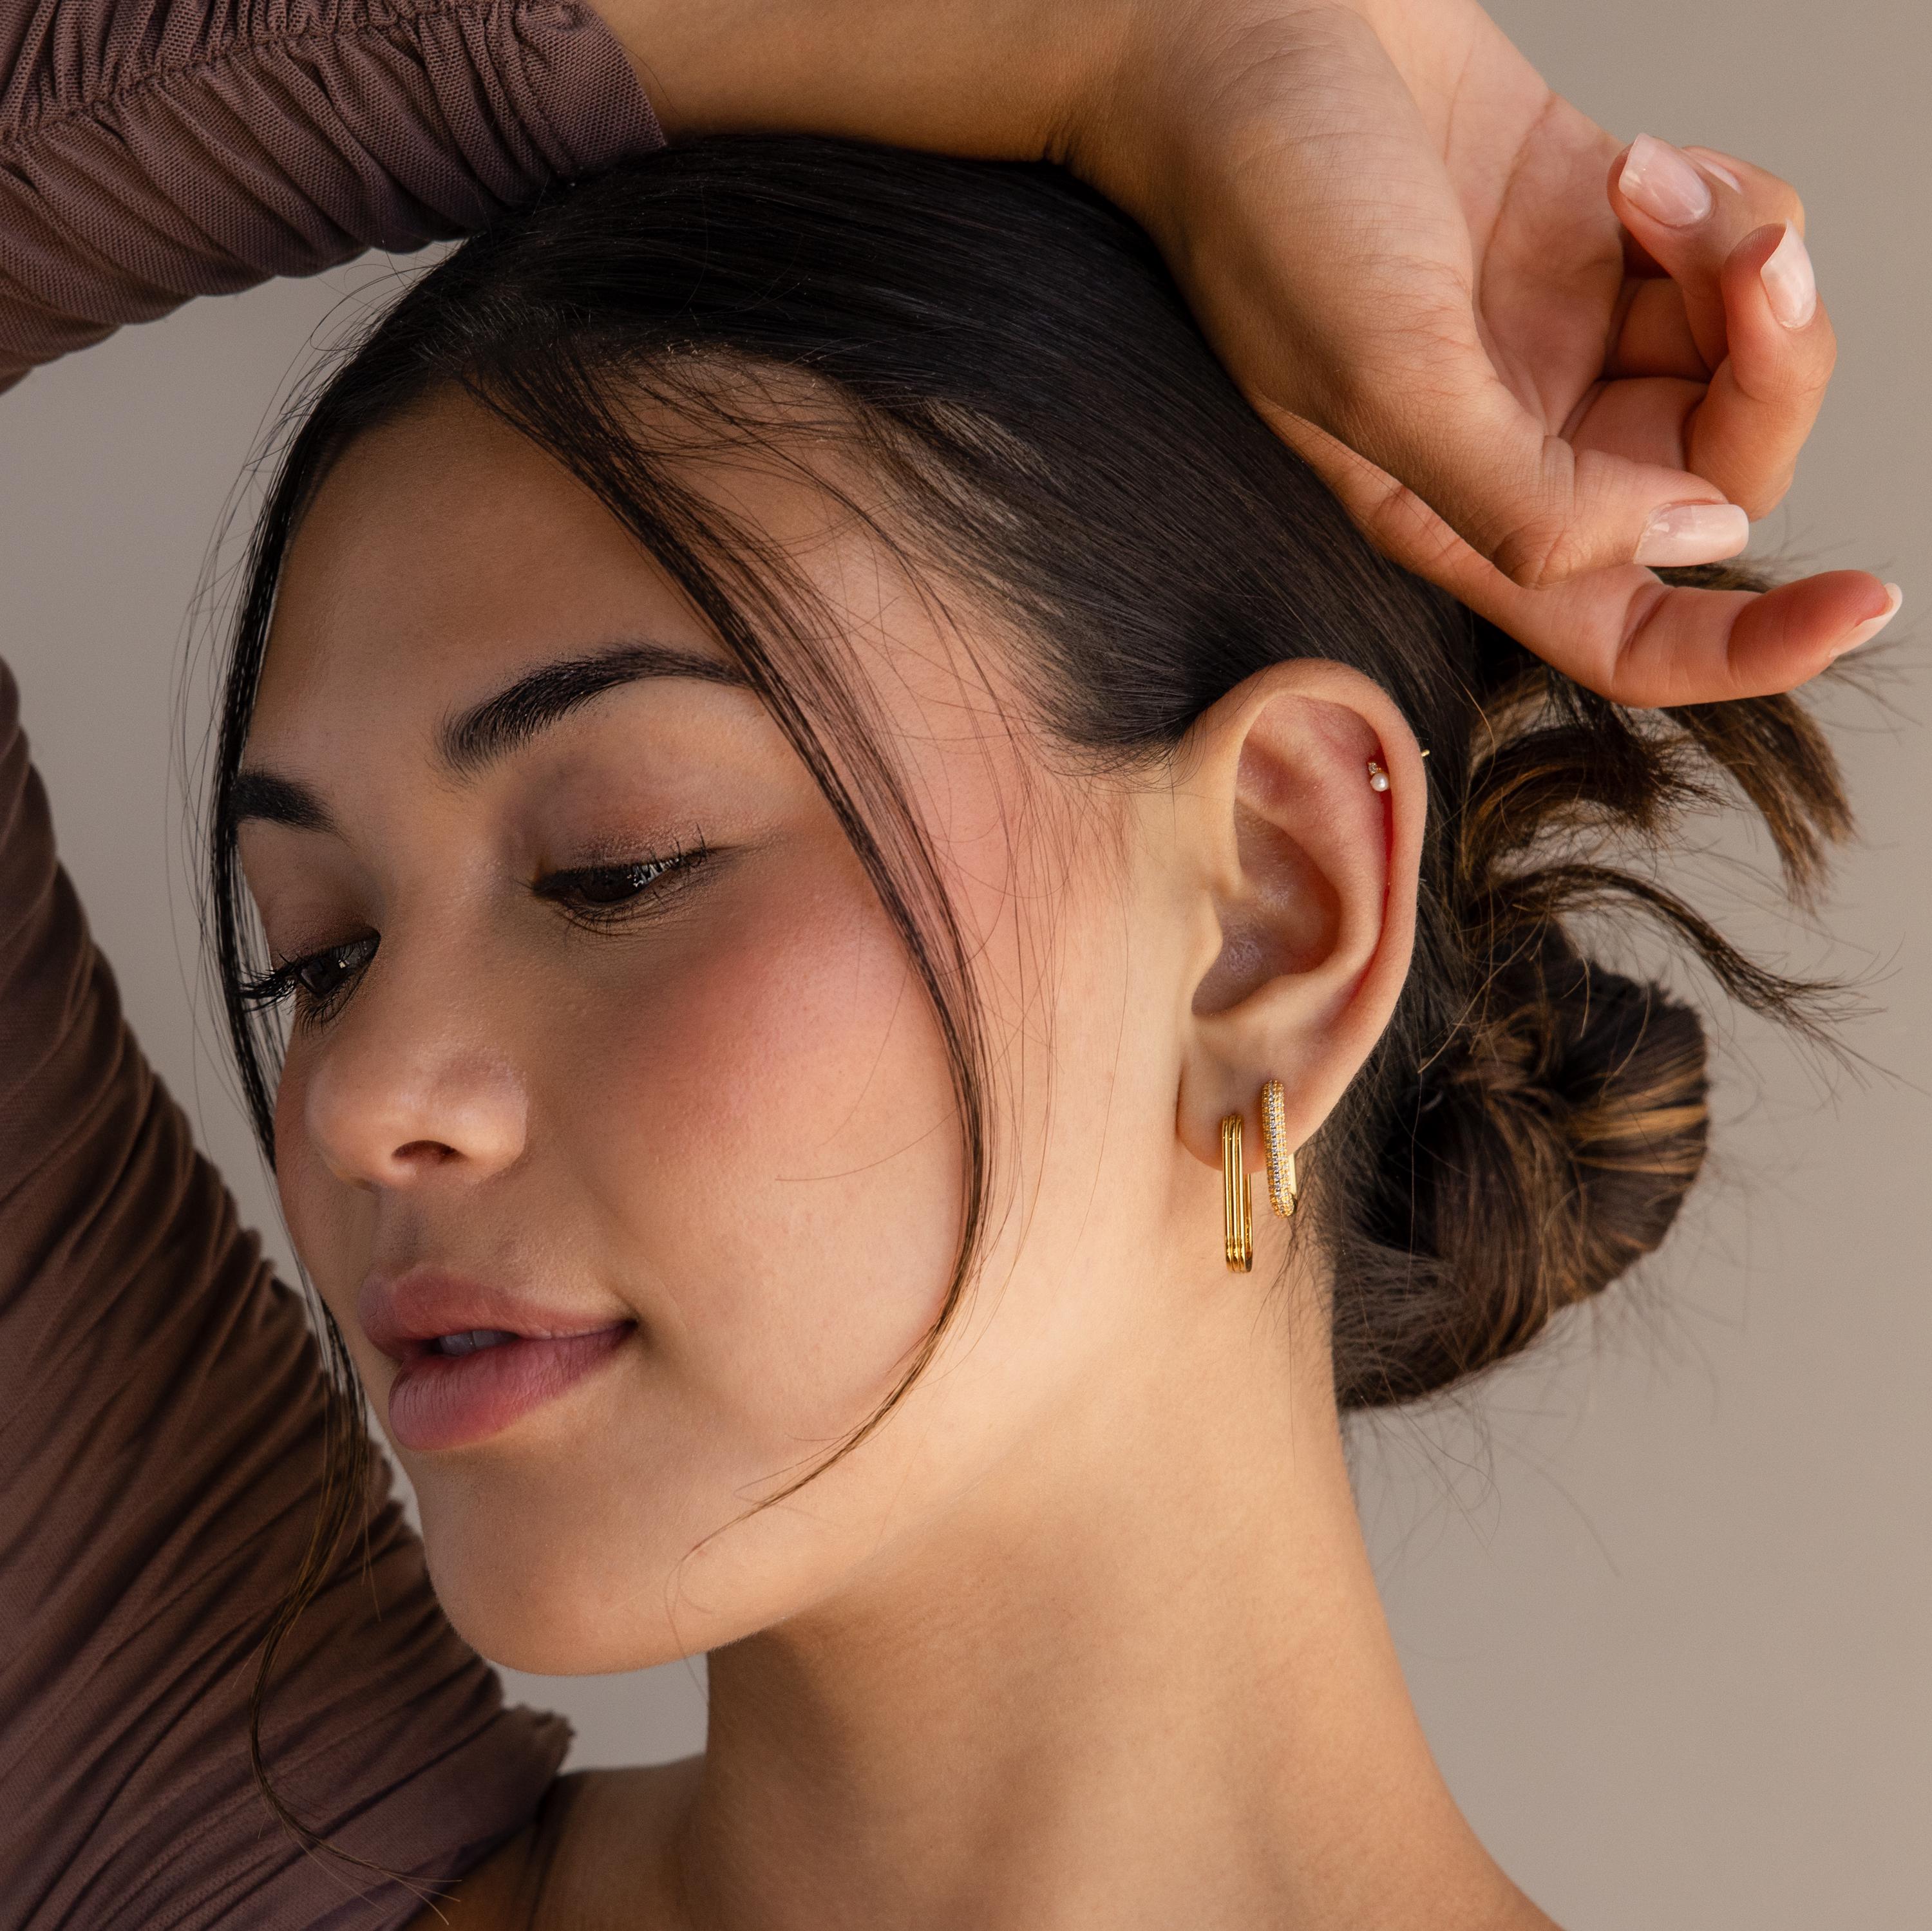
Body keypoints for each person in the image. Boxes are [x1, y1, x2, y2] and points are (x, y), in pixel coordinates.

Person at [0, 4, 1890, 1930]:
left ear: (1276, 908)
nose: (360, 1097)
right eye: (312, 958)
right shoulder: (181, 1838)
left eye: (615, 865)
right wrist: (1128, 34)